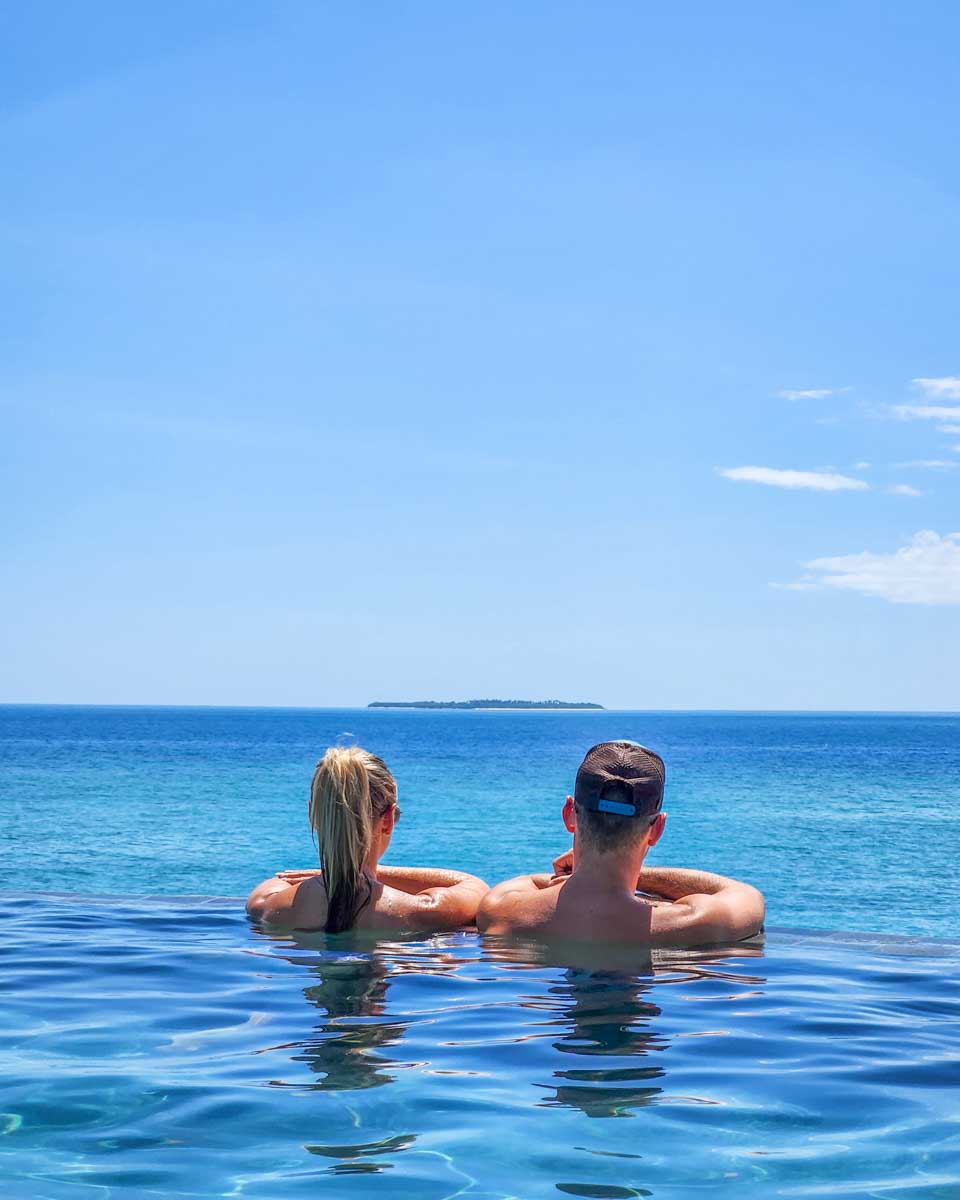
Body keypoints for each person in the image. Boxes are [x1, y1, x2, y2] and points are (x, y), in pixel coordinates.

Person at [477, 740, 764, 946]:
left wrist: (580, 872)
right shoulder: (688, 925)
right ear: (657, 829)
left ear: (569, 814)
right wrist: (642, 877)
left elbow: (527, 883)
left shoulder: (503, 911)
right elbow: (745, 896)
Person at [246, 746, 488, 933]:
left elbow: (277, 883)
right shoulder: (420, 912)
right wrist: (377, 873)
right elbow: (476, 888)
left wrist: (337, 870)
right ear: (388, 819)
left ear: (314, 816)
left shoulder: (267, 907)